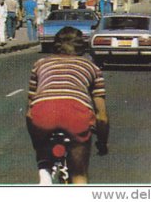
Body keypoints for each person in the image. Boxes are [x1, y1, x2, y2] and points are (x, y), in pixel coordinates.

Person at [26, 26, 109, 184]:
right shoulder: (92, 67)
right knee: (79, 173)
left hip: (43, 113)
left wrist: (37, 142)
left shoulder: (40, 64)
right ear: (82, 46)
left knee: (40, 143)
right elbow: (102, 115)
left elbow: (29, 111)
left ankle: (44, 173)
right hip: (76, 115)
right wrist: (102, 142)